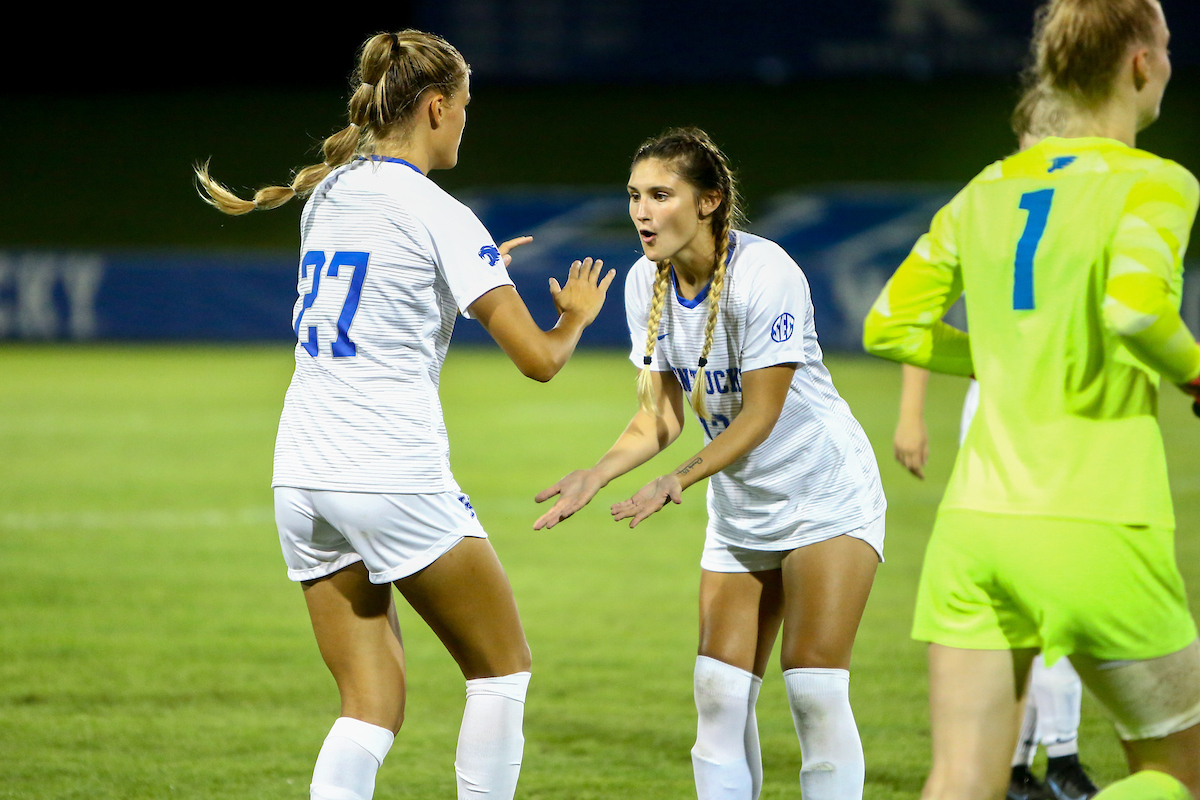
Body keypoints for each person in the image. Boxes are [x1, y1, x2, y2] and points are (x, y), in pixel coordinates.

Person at [194, 30, 615, 800]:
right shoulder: (442, 214)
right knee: (502, 670)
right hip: (389, 469)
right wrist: (578, 316)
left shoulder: (329, 195)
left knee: (370, 702)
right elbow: (540, 360)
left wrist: (477, 268)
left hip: (302, 474)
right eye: (462, 108)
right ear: (433, 107)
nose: (464, 123)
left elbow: (388, 284)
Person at [864, 0, 1200, 798]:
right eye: (1167, 48)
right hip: (1098, 524)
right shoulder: (1155, 182)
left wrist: (1001, 353)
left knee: (958, 782)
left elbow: (889, 326)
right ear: (1139, 65)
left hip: (976, 534)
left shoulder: (986, 187)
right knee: (1174, 777)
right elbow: (1135, 308)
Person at [533, 127, 887, 800]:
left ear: (709, 202)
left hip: (825, 494)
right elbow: (659, 416)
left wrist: (679, 478)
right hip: (742, 508)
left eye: (661, 194)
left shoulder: (766, 272)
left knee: (812, 687)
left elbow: (761, 415)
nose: (641, 211)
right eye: (634, 195)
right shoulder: (646, 284)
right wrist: (598, 472)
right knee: (719, 695)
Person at [891, 87, 1097, 800]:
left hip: (1035, 412)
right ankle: (1027, 763)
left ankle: (1049, 758)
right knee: (1044, 586)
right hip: (1018, 413)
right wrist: (912, 414)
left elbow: (906, 315)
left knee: (1046, 590)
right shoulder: (1044, 207)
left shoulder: (993, 204)